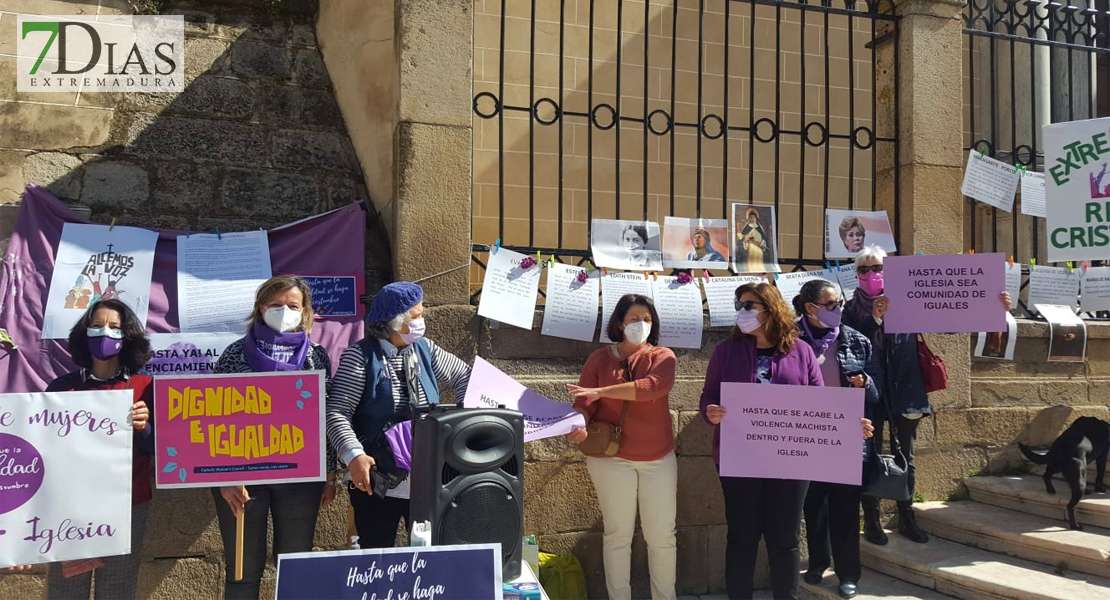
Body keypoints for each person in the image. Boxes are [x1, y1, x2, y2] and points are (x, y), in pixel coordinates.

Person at [700, 283, 873, 600]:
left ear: (770, 309)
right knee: (742, 537)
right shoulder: (726, 351)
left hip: (790, 462)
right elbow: (709, 395)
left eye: (749, 305)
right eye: (740, 304)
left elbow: (820, 406)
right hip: (739, 460)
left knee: (785, 539)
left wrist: (849, 426)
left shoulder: (801, 351)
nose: (742, 311)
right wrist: (709, 411)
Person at [844, 246, 1011, 546]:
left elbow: (948, 320)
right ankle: (871, 520)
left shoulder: (909, 294)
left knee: (905, 456)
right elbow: (848, 343)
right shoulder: (849, 307)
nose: (871, 274)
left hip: (906, 390)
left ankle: (907, 516)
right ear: (857, 274)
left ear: (888, 269)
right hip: (868, 394)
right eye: (864, 269)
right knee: (866, 457)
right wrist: (875, 318)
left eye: (877, 267)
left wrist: (992, 306)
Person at [16, 300, 155, 599]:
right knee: (66, 590)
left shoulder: (146, 386)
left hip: (127, 506)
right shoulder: (61, 388)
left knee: (117, 589)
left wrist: (143, 428)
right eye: (97, 325)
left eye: (115, 327)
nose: (105, 332)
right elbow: (40, 450)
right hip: (70, 508)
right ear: (84, 332)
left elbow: (160, 449)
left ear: (128, 336)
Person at [211, 276, 336, 600]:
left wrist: (330, 473)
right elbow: (213, 421)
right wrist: (224, 477)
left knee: (295, 571)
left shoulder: (317, 357)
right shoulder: (233, 355)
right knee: (241, 571)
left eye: (292, 306)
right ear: (261, 307)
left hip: (300, 479)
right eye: (276, 305)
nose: (284, 311)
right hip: (242, 481)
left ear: (305, 311)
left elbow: (327, 418)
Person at [325, 282, 471, 549]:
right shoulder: (360, 357)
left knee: (435, 552)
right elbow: (337, 412)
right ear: (396, 323)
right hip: (379, 479)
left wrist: (463, 416)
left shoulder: (425, 349)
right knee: (377, 555)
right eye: (416, 315)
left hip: (428, 476)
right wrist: (353, 455)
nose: (422, 320)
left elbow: (466, 376)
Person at [565, 294, 677, 600]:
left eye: (647, 319)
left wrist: (601, 391)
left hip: (658, 457)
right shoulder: (598, 360)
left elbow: (653, 388)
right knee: (617, 536)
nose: (641, 324)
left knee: (662, 537)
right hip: (611, 458)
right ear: (619, 323)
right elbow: (583, 403)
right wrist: (579, 423)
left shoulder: (663, 356)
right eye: (634, 319)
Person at [793, 280, 883, 600]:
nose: (838, 310)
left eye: (840, 303)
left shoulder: (856, 341)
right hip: (804, 435)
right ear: (810, 308)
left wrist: (866, 382)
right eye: (831, 304)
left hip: (845, 436)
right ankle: (818, 562)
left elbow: (876, 393)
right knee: (813, 504)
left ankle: (848, 573)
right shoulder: (789, 339)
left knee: (845, 507)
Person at [735, 208, 769, 272]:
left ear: (756, 218)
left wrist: (762, 242)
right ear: (749, 218)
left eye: (753, 217)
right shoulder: (747, 227)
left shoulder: (759, 227)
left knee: (761, 252)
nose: (752, 219)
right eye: (751, 217)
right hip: (749, 244)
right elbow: (742, 236)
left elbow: (764, 238)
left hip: (759, 244)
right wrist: (746, 238)